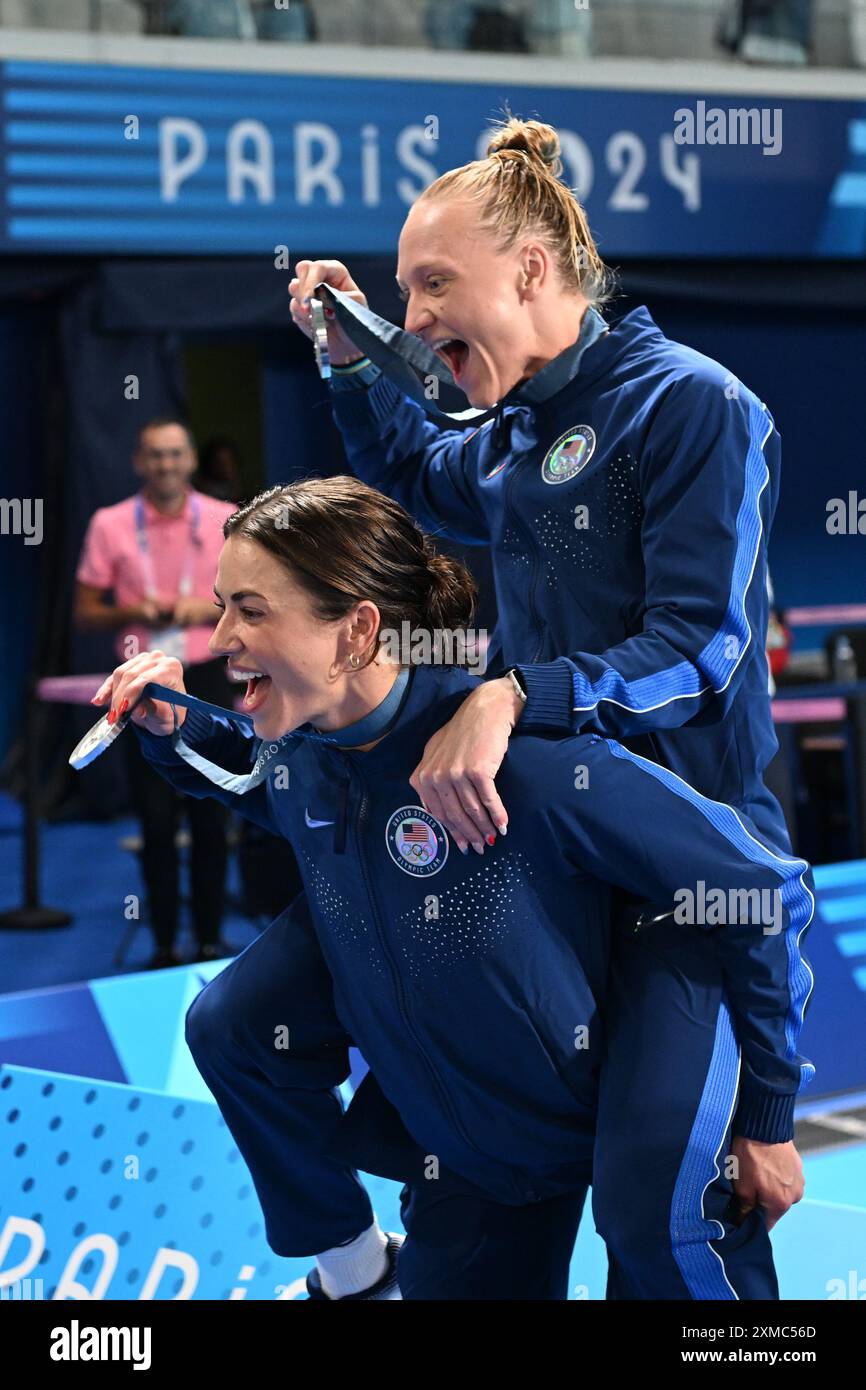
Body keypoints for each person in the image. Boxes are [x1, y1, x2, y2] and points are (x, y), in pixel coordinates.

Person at [288, 117, 815, 1283]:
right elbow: (417, 470)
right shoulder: (517, 432)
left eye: (433, 284)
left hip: (686, 870)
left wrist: (516, 694)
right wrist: (344, 355)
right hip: (549, 867)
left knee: (658, 1205)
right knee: (478, 1174)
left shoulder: (694, 405)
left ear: (530, 270)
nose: (414, 316)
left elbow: (704, 650)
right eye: (401, 291)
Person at [93, 477, 811, 1300]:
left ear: (358, 631)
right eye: (223, 606)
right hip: (478, 1147)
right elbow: (267, 786)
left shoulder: (527, 763)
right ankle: (359, 1272)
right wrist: (174, 725)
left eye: (251, 610)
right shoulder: (307, 751)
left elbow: (765, 891)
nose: (219, 636)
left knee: (660, 1213)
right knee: (231, 1021)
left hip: (622, 1106)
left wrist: (766, 1118)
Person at [75, 418, 238, 968]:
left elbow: (260, 599)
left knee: (213, 811)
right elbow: (85, 611)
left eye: (175, 454)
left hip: (207, 677)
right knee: (156, 817)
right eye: (155, 456)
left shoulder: (226, 520)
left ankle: (212, 941)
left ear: (190, 460)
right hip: (142, 677)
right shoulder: (110, 524)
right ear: (138, 463)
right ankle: (165, 945)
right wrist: (132, 611)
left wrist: (213, 609)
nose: (165, 465)